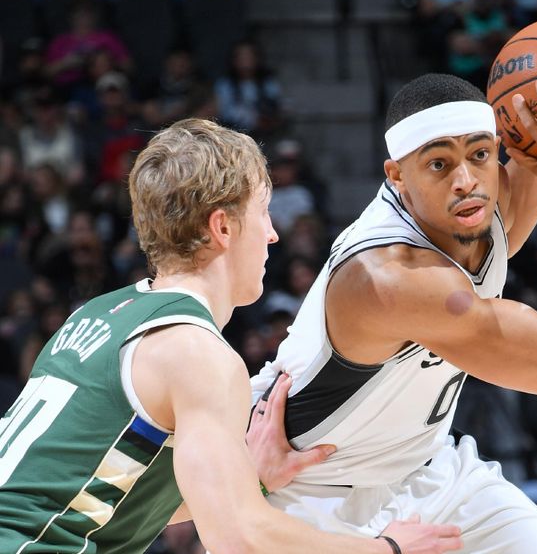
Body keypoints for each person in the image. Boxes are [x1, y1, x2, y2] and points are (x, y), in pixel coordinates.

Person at [0, 119, 462, 554]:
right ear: (222, 227)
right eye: (263, 212)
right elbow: (237, 540)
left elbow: (107, 498)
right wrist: (386, 548)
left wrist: (251, 478)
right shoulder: (194, 352)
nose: (273, 234)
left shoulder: (98, 315)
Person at [251, 71, 537, 552]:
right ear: (397, 175)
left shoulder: (480, 203)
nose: (466, 181)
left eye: (479, 155)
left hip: (427, 468)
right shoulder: (394, 279)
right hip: (313, 490)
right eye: (439, 164)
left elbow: (513, 221)